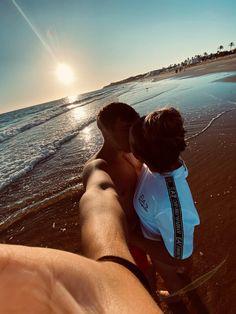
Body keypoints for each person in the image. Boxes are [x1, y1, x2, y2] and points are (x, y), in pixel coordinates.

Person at [0, 162, 162, 313]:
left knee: (146, 268)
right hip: (126, 251)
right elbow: (100, 198)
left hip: (130, 246)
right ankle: (152, 296)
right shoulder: (114, 275)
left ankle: (153, 295)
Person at [129, 107, 200, 293]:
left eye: (131, 145)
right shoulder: (155, 164)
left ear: (138, 155)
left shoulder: (170, 204)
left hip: (167, 258)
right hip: (160, 241)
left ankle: (177, 300)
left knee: (174, 284)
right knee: (180, 275)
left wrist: (131, 238)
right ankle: (186, 282)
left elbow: (179, 257)